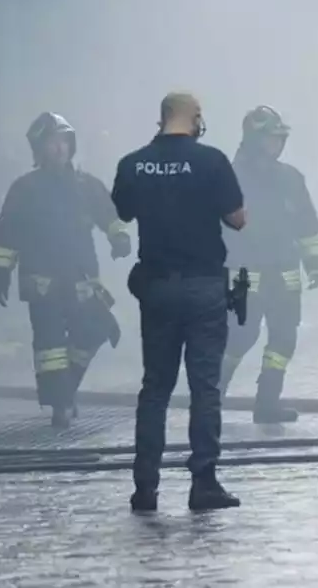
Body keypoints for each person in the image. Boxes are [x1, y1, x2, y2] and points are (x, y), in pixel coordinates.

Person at [111, 91, 244, 513]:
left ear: (162, 117)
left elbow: (124, 212)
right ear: (195, 118)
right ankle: (203, 483)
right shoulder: (211, 161)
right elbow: (238, 219)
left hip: (157, 288)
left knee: (155, 388)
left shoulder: (133, 164)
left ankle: (145, 487)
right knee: (205, 388)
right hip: (204, 286)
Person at [0, 112, 131, 428]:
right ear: (39, 150)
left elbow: (109, 214)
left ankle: (65, 391)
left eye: (64, 142)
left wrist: (118, 236)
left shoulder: (86, 186)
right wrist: (1, 270)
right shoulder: (24, 189)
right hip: (42, 283)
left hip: (82, 280)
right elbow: (7, 233)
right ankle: (61, 405)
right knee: (51, 346)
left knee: (98, 327)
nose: (59, 149)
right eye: (52, 143)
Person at [219, 105, 318, 424]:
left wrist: (314, 262)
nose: (277, 144)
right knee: (240, 337)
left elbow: (307, 223)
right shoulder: (229, 178)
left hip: (284, 272)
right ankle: (211, 396)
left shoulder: (290, 178)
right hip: (242, 275)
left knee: (283, 338)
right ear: (253, 139)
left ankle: (267, 404)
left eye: (280, 139)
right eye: (271, 138)